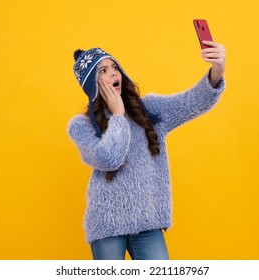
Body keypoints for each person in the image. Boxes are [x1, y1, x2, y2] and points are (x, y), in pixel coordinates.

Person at [68, 40, 226, 260]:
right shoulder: (81, 126)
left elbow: (190, 103)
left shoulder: (149, 109)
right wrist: (118, 115)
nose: (113, 74)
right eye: (103, 70)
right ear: (92, 84)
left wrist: (216, 72)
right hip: (107, 225)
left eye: (114, 67)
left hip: (148, 223)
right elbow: (109, 158)